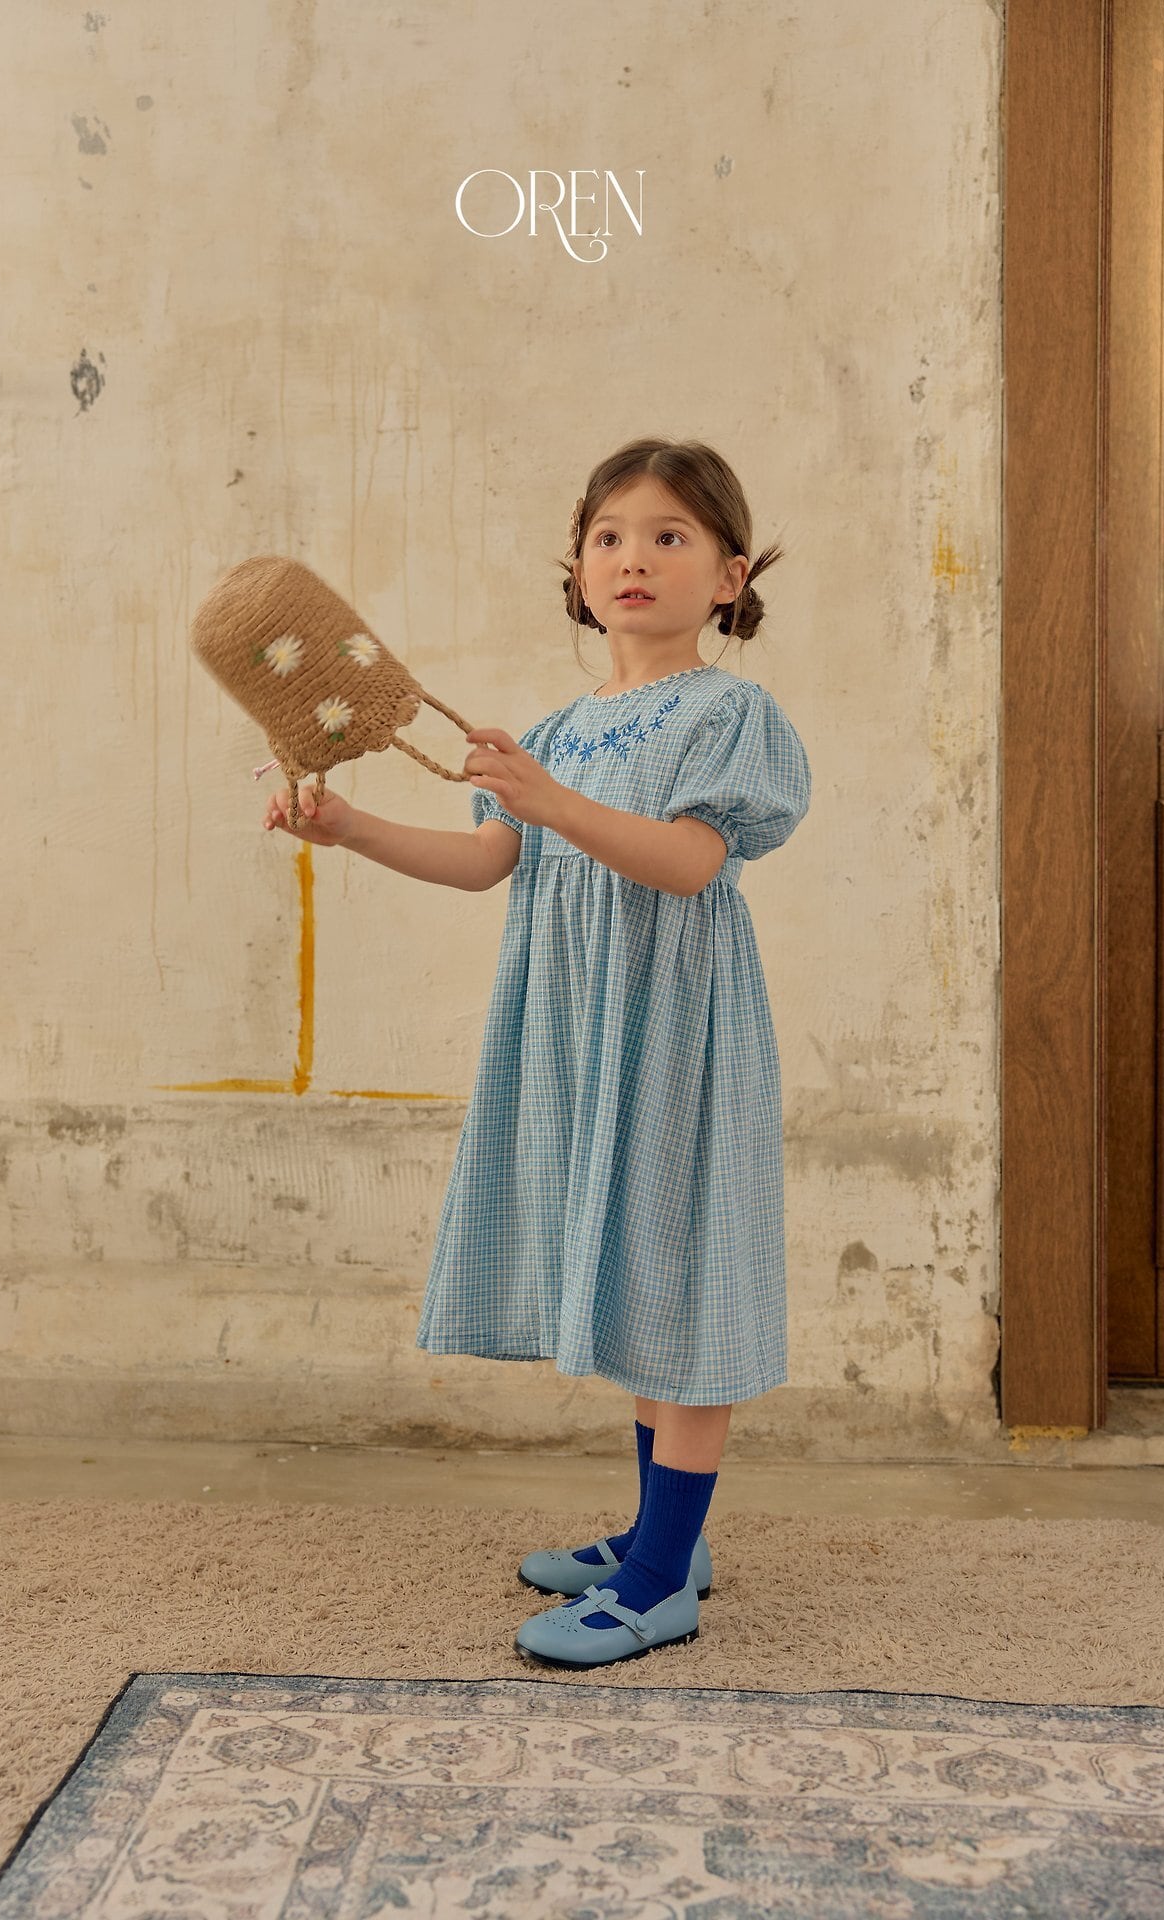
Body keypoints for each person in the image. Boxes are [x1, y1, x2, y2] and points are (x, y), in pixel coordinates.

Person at [262, 435, 812, 1672]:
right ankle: (662, 1537)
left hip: (672, 1031)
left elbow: (690, 864)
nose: (632, 557)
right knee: (630, 1270)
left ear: (727, 577)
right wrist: (346, 826)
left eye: (668, 536)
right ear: (576, 570)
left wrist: (548, 798)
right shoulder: (558, 728)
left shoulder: (726, 713)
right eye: (608, 536)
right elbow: (485, 861)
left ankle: (660, 1580)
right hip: (573, 1029)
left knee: (679, 1275)